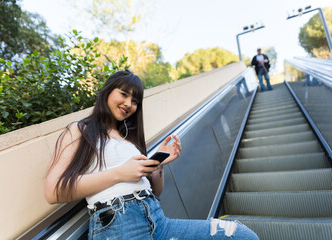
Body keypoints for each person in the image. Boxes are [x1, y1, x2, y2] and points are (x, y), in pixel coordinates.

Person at [44, 70, 259, 239]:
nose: (129, 104)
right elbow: (53, 192)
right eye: (124, 94)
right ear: (108, 92)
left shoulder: (129, 139)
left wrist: (158, 165)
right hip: (119, 225)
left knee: (241, 236)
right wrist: (120, 173)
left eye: (135, 100)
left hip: (157, 219)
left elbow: (156, 190)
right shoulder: (81, 130)